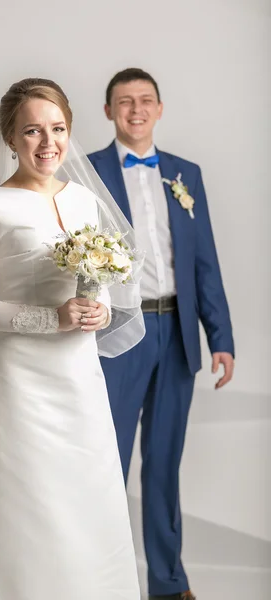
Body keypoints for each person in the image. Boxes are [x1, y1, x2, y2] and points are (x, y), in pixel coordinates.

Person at [0, 78, 146, 600]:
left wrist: (96, 310)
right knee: (24, 503)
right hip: (21, 381)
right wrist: (50, 320)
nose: (48, 142)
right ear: (10, 138)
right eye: (32, 131)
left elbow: (107, 289)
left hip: (79, 378)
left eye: (58, 128)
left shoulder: (89, 202)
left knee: (84, 497)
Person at [88, 68, 235, 600]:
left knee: (164, 465)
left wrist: (220, 336)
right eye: (124, 102)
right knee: (108, 462)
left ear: (160, 108)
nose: (135, 110)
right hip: (117, 335)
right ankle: (101, 581)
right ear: (108, 111)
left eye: (145, 100)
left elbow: (204, 262)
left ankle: (169, 587)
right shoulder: (89, 172)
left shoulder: (185, 174)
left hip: (177, 334)